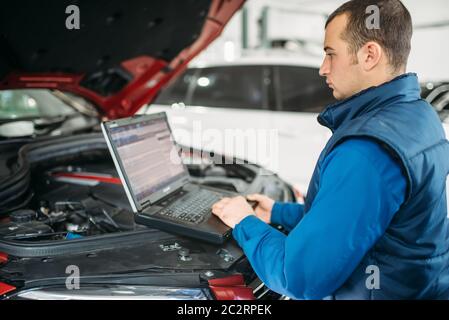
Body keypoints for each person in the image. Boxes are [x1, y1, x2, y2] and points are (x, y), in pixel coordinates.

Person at [211, 0, 449, 299]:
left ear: (369, 55)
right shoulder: (419, 115)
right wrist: (279, 212)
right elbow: (364, 221)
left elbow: (299, 278)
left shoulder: (367, 150)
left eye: (330, 54)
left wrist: (243, 221)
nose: (323, 69)